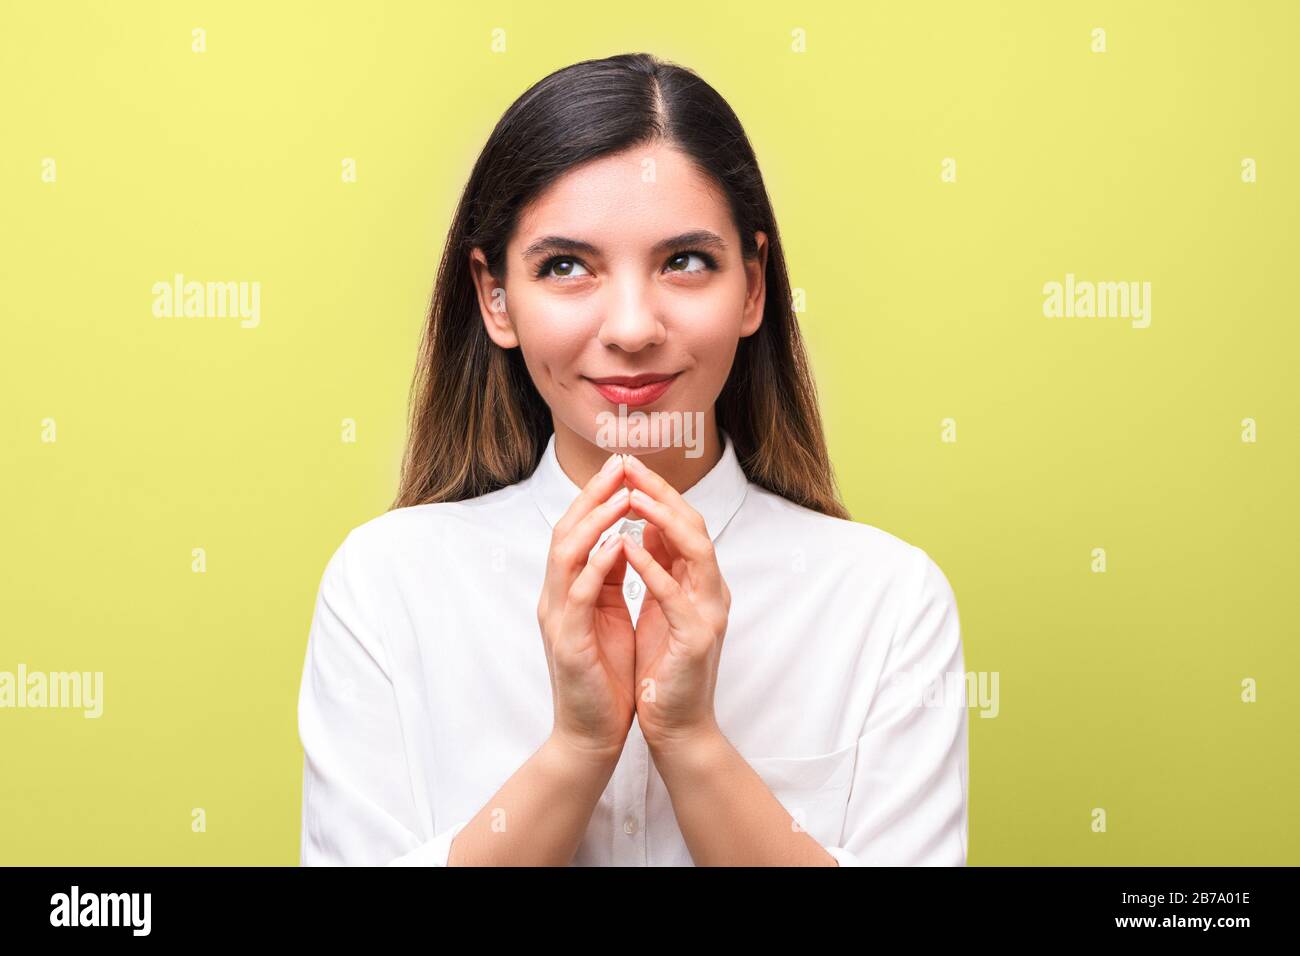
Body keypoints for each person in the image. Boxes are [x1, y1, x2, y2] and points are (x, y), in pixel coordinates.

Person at [298, 52, 968, 866]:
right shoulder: (385, 586)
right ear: (496, 298)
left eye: (685, 261)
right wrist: (577, 749)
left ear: (753, 287)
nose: (631, 328)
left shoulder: (888, 605)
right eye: (566, 267)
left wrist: (690, 741)